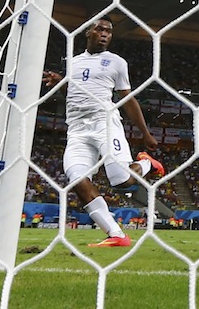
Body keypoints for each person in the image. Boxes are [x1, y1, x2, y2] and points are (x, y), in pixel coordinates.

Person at [42, 16, 164, 247]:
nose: (105, 34)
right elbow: (74, 92)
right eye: (99, 29)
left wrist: (145, 133)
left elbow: (127, 99)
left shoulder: (117, 62)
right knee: (77, 180)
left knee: (122, 181)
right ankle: (116, 234)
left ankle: (147, 163)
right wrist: (60, 82)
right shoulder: (72, 62)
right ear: (88, 32)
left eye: (108, 31)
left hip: (104, 123)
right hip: (77, 129)